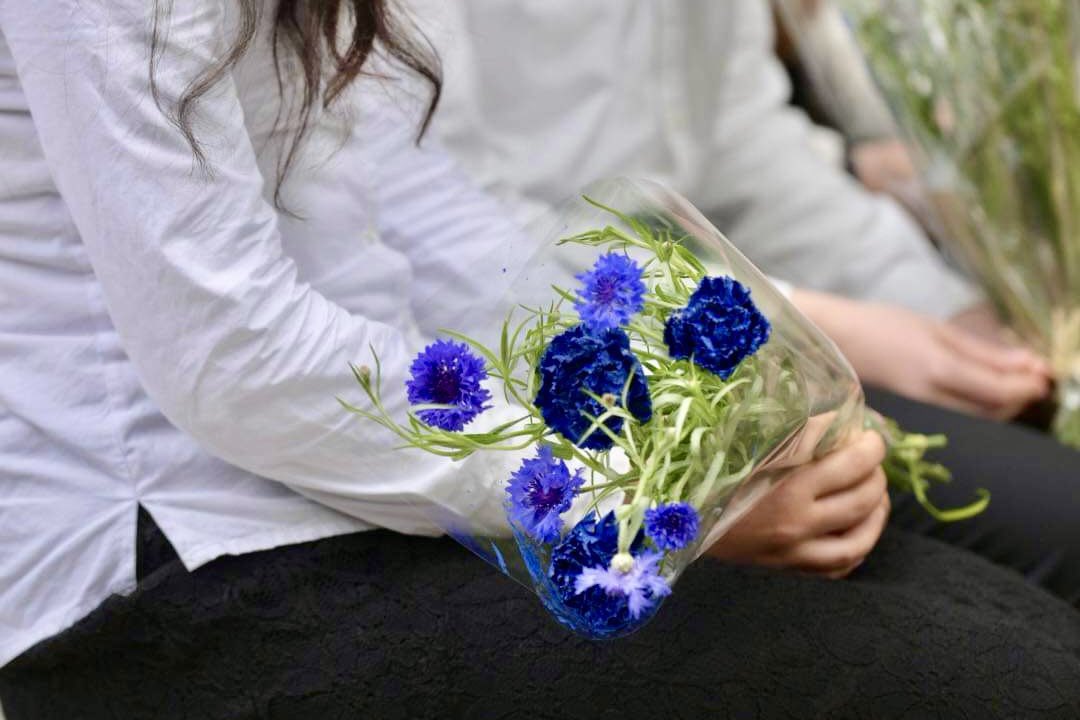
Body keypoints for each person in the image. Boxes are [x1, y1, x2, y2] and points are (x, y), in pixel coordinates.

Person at [1, 1, 1079, 718]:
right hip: (184, 557)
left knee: (1029, 584)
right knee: (1002, 677)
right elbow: (238, 359)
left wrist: (735, 412)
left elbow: (424, 213)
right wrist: (642, 513)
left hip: (379, 484)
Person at [422, 0, 1052, 421]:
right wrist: (791, 324)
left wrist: (935, 307)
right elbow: (464, 232)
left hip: (712, 318)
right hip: (510, 373)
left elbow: (740, 145)